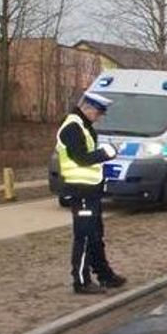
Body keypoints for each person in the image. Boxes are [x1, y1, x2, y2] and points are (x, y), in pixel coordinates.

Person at [56, 91, 127, 294]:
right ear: (88, 108)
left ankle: (105, 275)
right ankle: (81, 281)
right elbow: (81, 158)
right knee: (85, 236)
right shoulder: (72, 127)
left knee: (95, 235)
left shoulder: (82, 125)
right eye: (98, 113)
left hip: (90, 190)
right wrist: (107, 153)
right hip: (80, 190)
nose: (99, 117)